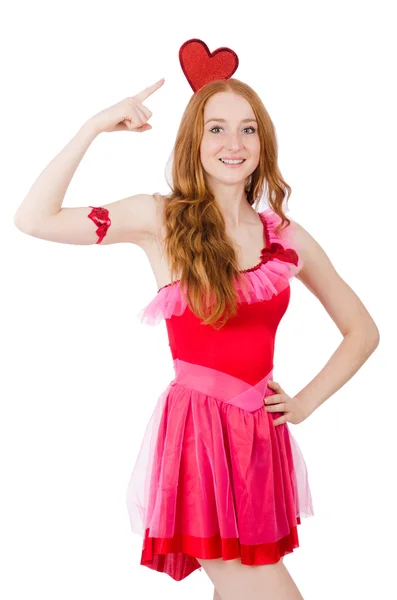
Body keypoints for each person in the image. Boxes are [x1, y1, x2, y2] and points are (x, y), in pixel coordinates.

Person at [14, 75, 379, 600]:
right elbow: (34, 218)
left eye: (248, 129)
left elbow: (362, 331)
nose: (234, 143)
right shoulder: (157, 219)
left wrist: (303, 404)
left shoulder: (287, 237)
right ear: (195, 142)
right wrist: (93, 126)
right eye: (217, 129)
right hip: (199, 441)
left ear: (263, 142)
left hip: (260, 443)